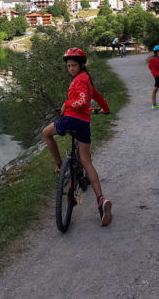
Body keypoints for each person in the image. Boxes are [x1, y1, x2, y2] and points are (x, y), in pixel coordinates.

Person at [42, 48, 112, 226]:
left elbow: (80, 102)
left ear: (81, 65)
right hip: (83, 124)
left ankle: (59, 165)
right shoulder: (86, 79)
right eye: (68, 66)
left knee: (46, 133)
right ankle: (101, 201)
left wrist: (66, 103)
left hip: (71, 119)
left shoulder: (79, 80)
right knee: (86, 161)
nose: (71, 68)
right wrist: (105, 109)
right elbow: (95, 95)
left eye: (74, 65)